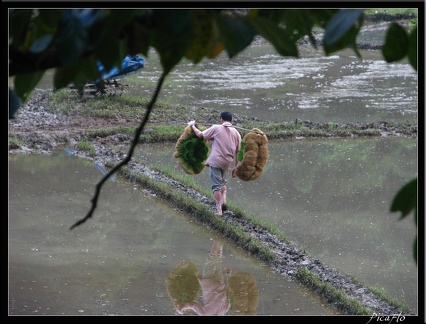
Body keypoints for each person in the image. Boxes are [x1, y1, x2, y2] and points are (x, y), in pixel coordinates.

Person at [188, 112, 242, 215]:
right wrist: (235, 167)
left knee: (216, 186)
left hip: (216, 161)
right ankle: (224, 202)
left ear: (221, 119)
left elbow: (200, 135)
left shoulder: (216, 128)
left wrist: (192, 126)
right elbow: (238, 152)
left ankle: (219, 210)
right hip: (227, 162)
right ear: (231, 121)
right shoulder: (236, 133)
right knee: (223, 182)